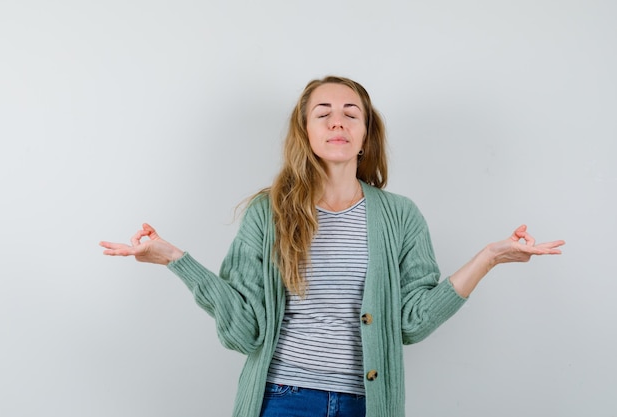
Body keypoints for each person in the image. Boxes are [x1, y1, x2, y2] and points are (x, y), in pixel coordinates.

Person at [100, 75, 565, 417]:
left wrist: (488, 259)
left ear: (366, 135)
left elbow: (412, 323)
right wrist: (176, 261)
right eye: (323, 113)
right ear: (306, 132)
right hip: (282, 398)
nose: (337, 122)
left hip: (369, 404)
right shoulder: (270, 212)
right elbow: (244, 331)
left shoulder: (400, 215)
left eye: (351, 113)